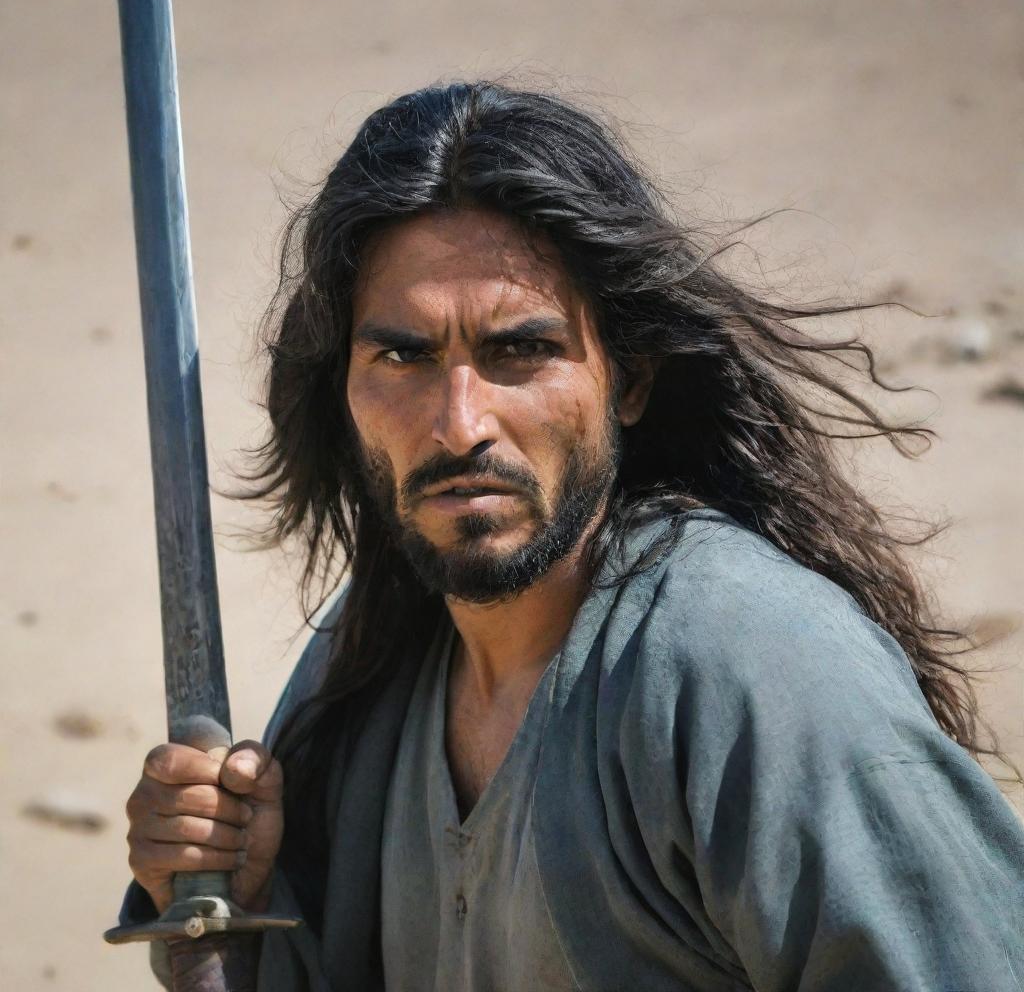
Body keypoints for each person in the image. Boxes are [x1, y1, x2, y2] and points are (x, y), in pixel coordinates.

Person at [121, 81, 1024, 991]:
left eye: (520, 350)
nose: (460, 422)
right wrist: (225, 899)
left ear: (627, 380)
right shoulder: (369, 657)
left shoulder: (751, 663)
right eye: (403, 356)